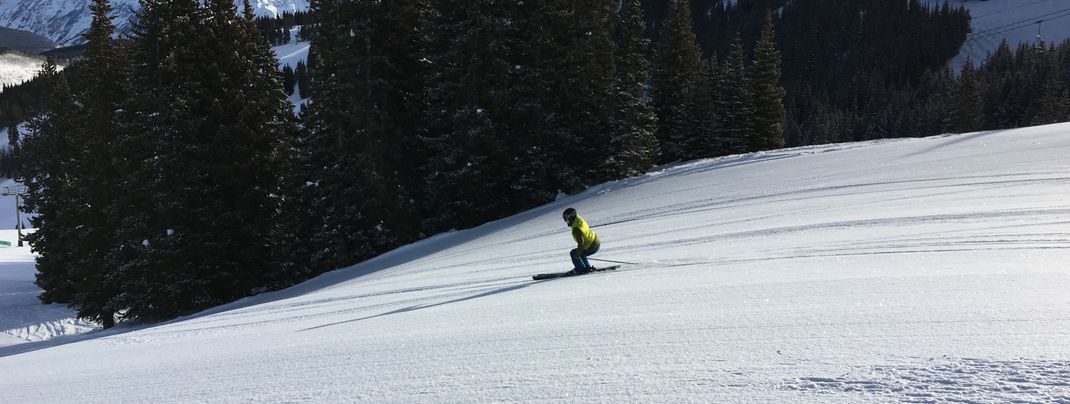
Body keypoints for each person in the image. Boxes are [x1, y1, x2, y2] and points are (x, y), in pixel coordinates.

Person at [562, 208, 600, 273]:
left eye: (567, 220)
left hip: (592, 246)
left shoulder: (576, 229)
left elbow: (581, 244)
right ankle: (587, 268)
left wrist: (577, 255)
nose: (566, 222)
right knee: (581, 253)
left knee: (574, 253)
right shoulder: (579, 221)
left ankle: (581, 270)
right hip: (594, 241)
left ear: (571, 218)